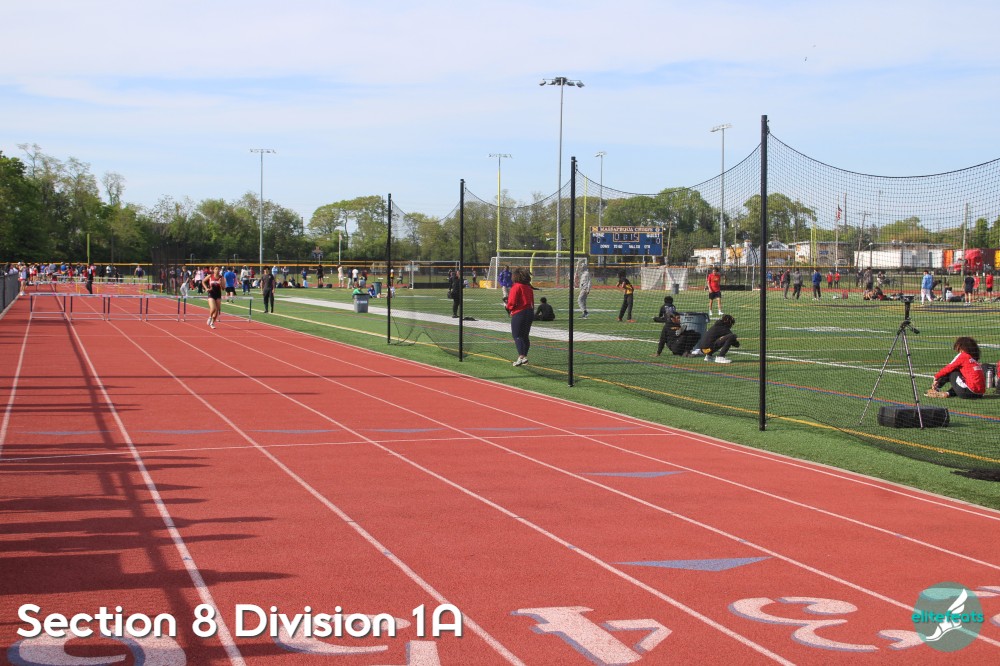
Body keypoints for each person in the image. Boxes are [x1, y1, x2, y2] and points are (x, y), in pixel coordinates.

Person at [506, 267, 534, 367]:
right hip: (529, 312)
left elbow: (512, 302)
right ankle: (524, 357)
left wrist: (509, 308)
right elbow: (531, 301)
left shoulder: (516, 286)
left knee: (517, 335)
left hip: (519, 312)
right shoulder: (528, 287)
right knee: (525, 336)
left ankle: (521, 357)